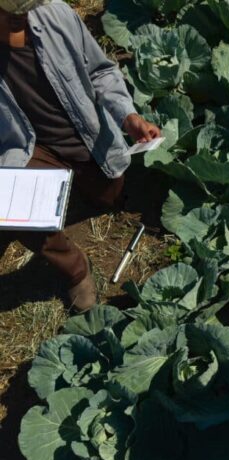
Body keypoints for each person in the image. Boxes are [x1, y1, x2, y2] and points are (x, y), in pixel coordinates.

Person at [0, 0, 160, 312]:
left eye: (26, 8)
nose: (22, 16)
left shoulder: (57, 15)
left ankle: (75, 188)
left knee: (109, 194)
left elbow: (100, 71)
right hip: (25, 148)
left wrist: (128, 117)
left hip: (86, 135)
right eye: (10, 12)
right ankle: (75, 268)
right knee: (13, 206)